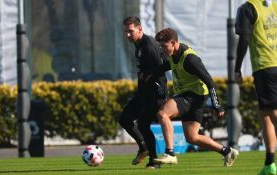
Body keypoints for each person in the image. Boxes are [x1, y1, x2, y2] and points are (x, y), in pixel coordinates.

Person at [144, 28, 239, 167]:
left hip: (194, 95)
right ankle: (226, 151)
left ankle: (170, 153)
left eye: (164, 46)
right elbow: (166, 66)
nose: (162, 49)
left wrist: (216, 104)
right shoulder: (173, 54)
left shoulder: (190, 59)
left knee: (162, 113)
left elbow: (209, 81)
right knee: (192, 137)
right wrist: (150, 75)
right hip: (191, 96)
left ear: (174, 43)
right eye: (160, 46)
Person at [118, 16, 168, 169]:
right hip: (143, 93)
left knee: (144, 124)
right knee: (125, 119)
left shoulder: (149, 45)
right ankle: (143, 147)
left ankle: (154, 161)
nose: (127, 34)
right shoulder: (138, 44)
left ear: (140, 29)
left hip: (155, 93)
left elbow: (165, 65)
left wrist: (149, 75)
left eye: (130, 31)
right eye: (126, 31)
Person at [235, 0, 277, 174]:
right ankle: (269, 164)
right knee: (265, 114)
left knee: (273, 114)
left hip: (265, 66)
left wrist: (237, 68)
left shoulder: (247, 8)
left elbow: (244, 38)